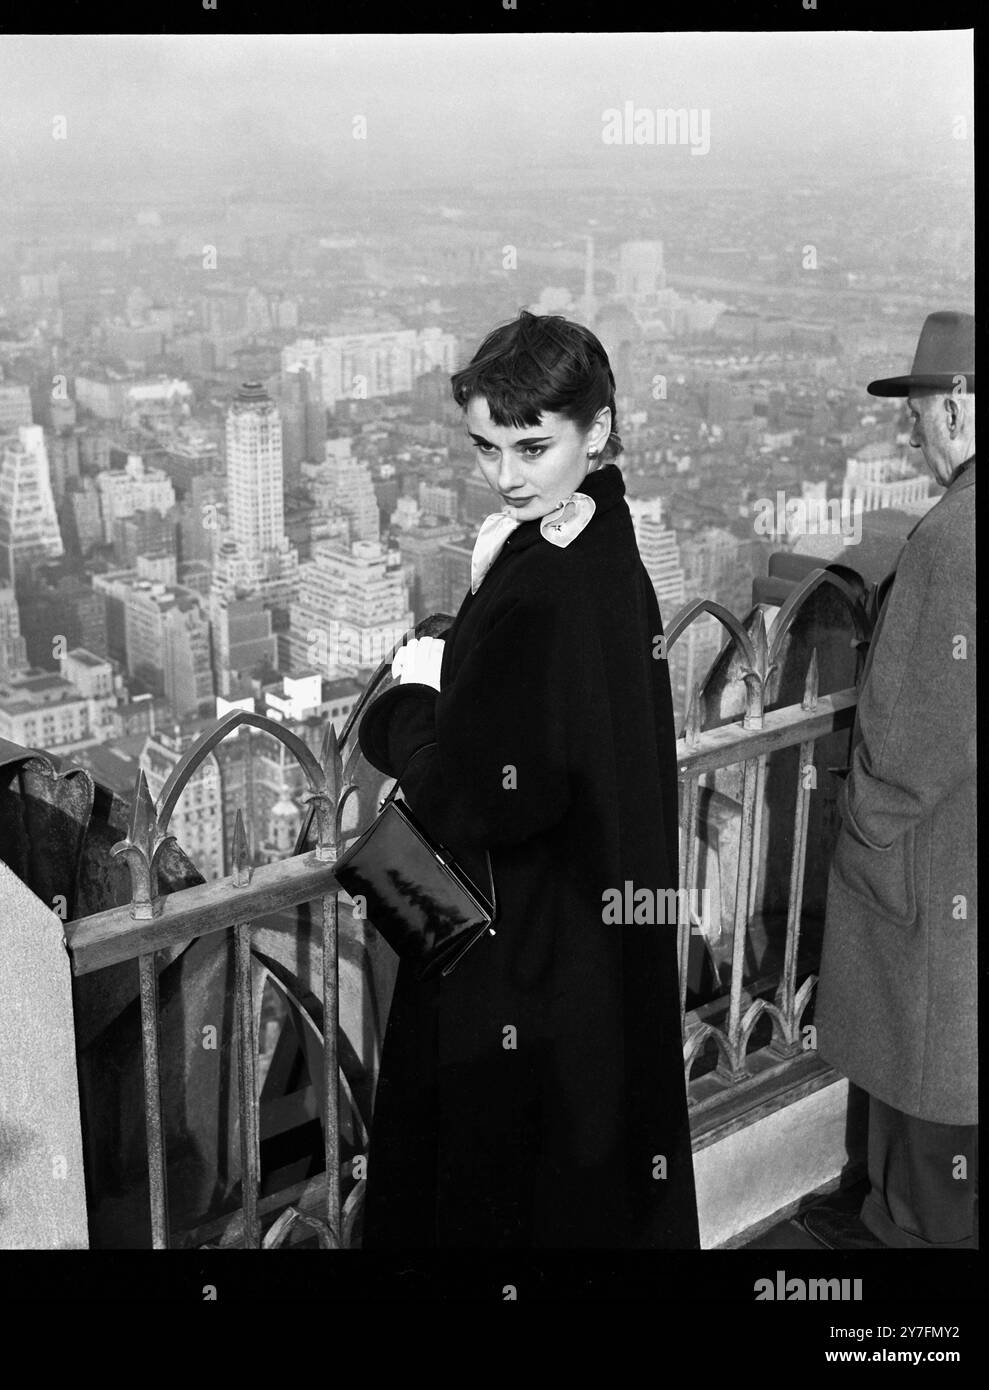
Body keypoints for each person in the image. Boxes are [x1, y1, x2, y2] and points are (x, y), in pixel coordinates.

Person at [357, 310, 699, 1247]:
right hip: (587, 939)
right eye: (486, 448)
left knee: (498, 1195)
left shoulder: (550, 580)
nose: (505, 475)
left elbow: (484, 794)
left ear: (598, 431)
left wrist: (408, 710)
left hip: (521, 953)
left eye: (532, 446)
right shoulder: (603, 544)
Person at [802, 311, 977, 1251]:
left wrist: (859, 818)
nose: (913, 428)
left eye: (919, 408)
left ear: (955, 407)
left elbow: (911, 745)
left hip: (930, 875)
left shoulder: (953, 539)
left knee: (926, 1105)